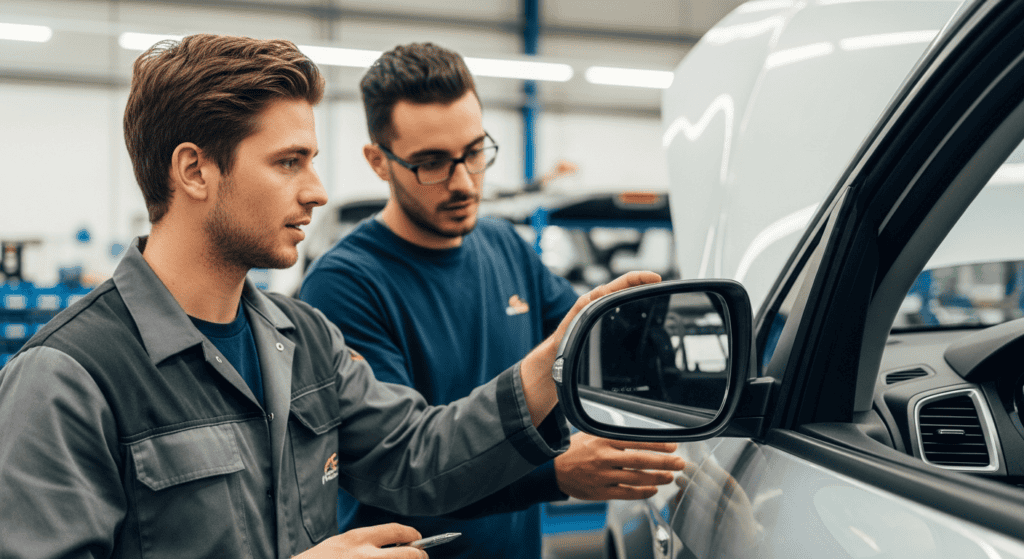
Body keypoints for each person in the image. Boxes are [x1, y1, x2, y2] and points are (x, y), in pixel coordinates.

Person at [0, 34, 662, 559]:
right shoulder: (67, 379)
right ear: (195, 170)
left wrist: (552, 359)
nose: (317, 190)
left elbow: (418, 455)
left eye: (312, 161)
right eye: (289, 162)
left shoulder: (305, 341)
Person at [300, 42, 686, 559]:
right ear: (378, 162)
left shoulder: (504, 246)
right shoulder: (345, 285)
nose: (463, 182)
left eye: (475, 152)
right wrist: (553, 473)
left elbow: (588, 353)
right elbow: (404, 467)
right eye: (432, 163)